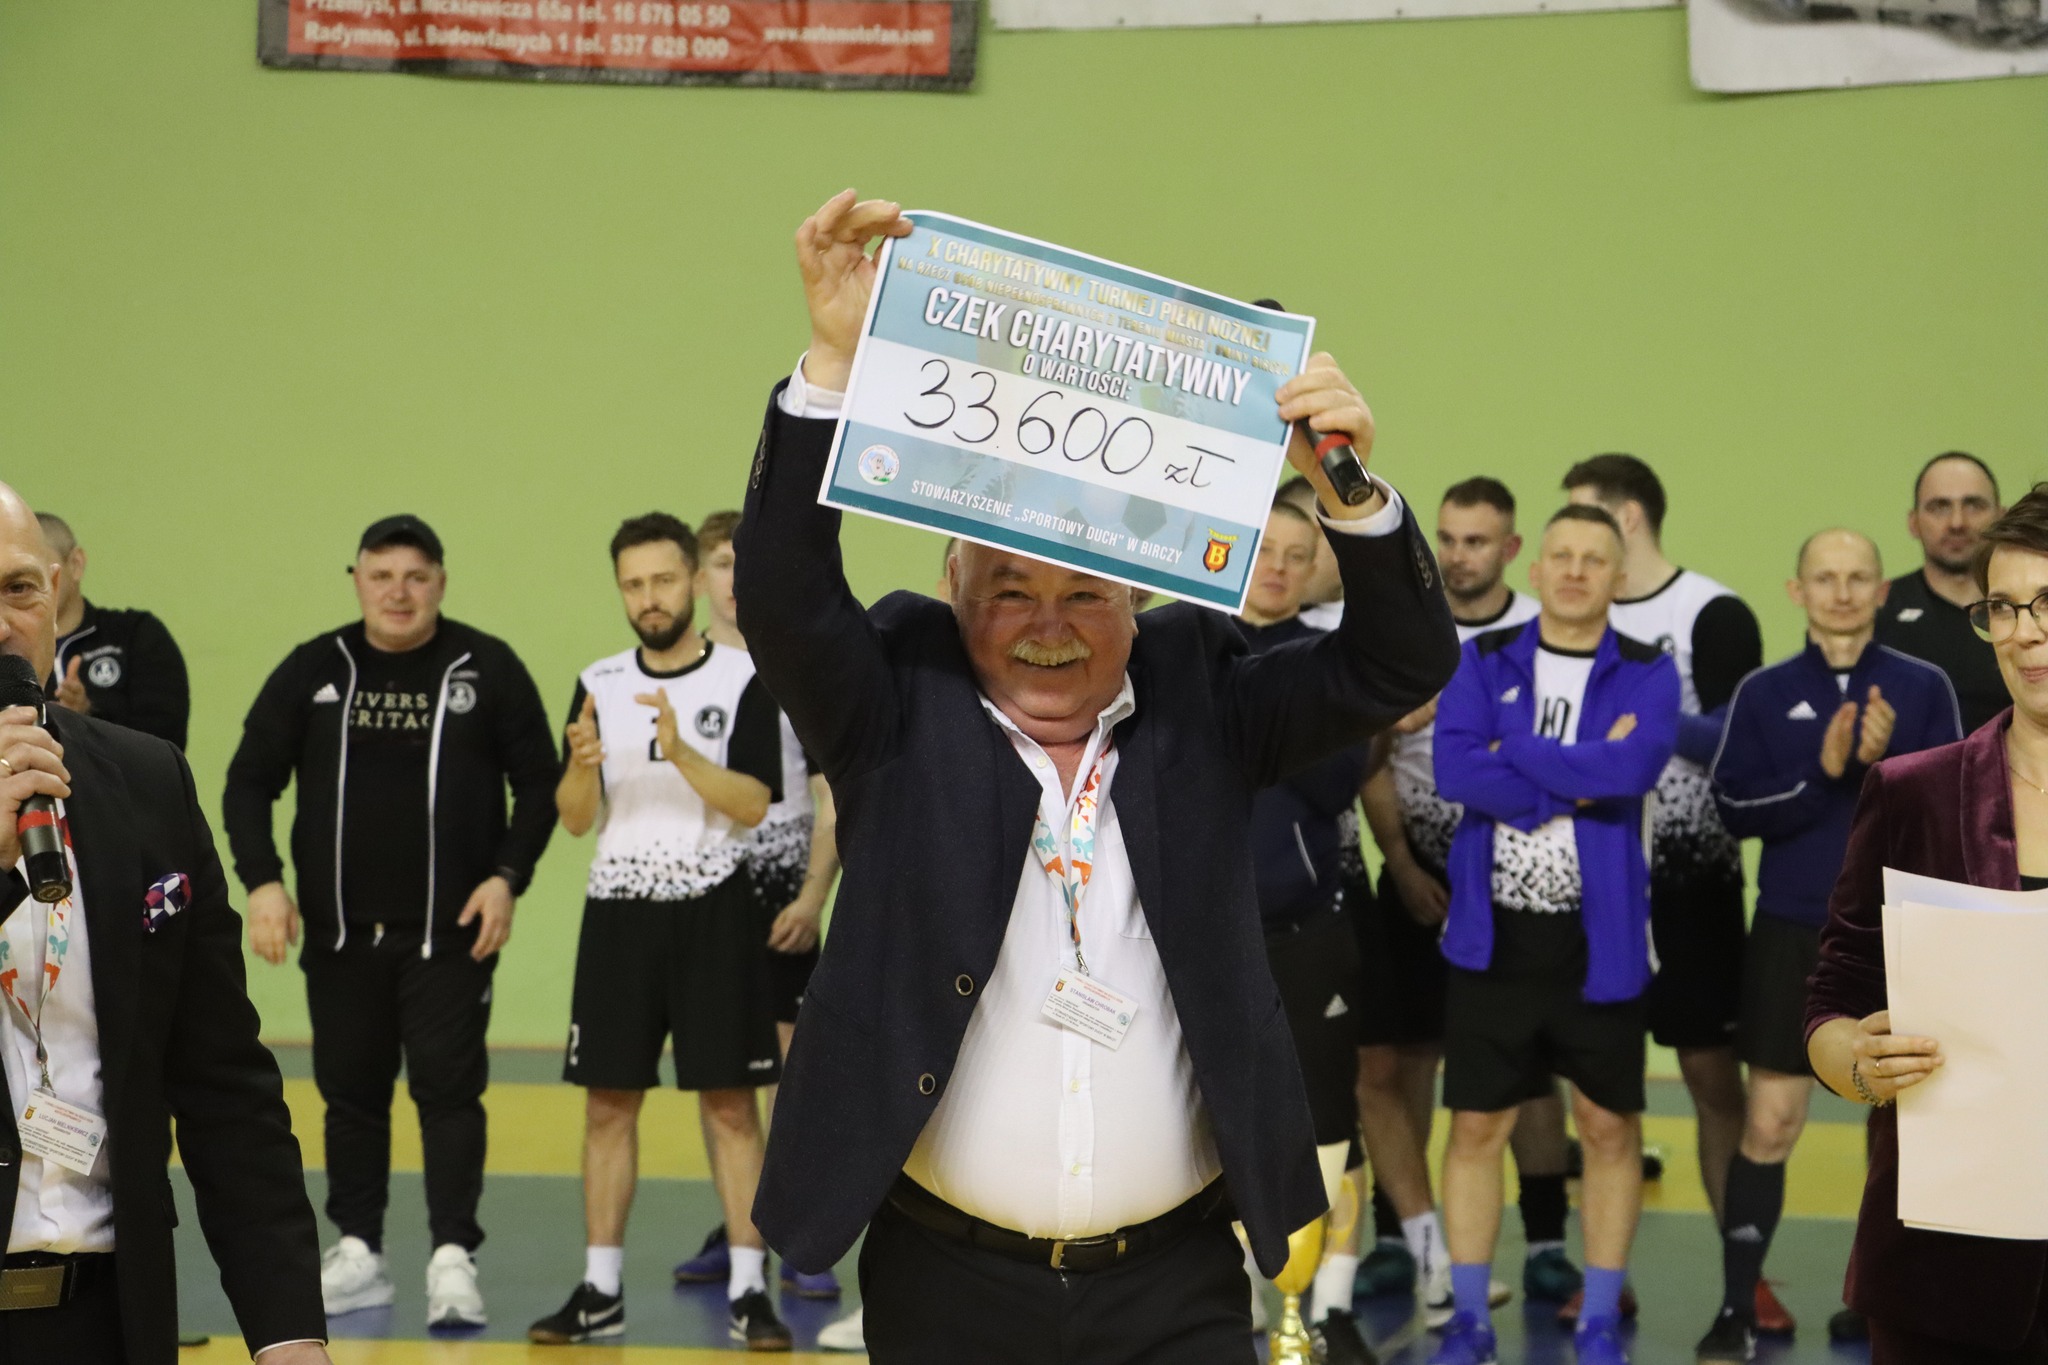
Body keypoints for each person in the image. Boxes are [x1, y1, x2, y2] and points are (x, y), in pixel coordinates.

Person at [735, 190, 1459, 1365]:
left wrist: (1344, 492)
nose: (1047, 625)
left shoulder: (1204, 695)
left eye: (1083, 593)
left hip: (1174, 1283)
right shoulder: (893, 699)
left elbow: (1401, 660)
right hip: (946, 1281)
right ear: (952, 587)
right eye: (1008, 591)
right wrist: (831, 366)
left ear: (1135, 597)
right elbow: (781, 595)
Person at [0, 483, 330, 1364]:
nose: (1, 623)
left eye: (19, 588)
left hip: (109, 1319)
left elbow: (224, 1082)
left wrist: (289, 1330)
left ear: (56, 595)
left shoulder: (147, 783)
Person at [222, 515, 559, 1331]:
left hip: (450, 936)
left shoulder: (486, 666)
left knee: (449, 1094)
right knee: (350, 1096)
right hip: (340, 936)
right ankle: (359, 1252)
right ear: (357, 580)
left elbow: (540, 784)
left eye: (415, 576)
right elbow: (248, 781)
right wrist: (263, 883)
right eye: (381, 576)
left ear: (440, 581)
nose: (398, 592)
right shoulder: (316, 668)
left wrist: (507, 878)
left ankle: (453, 1258)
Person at [531, 512, 793, 1351]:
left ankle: (750, 1288)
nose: (649, 597)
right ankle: (601, 1289)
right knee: (609, 1104)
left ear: (694, 580)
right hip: (618, 910)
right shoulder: (598, 680)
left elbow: (753, 803)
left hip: (715, 906)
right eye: (633, 584)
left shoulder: (745, 676)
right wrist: (581, 767)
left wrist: (680, 751)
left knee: (732, 1104)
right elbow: (576, 818)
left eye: (664, 580)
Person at [1698, 529, 1960, 1362]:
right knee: (1772, 1119)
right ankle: (1737, 1307)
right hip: (1791, 929)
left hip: (1903, 929)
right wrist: (1824, 768)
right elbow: (1732, 809)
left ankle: (1886, 1302)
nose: (1841, 592)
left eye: (1857, 578)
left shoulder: (1924, 686)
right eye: (1825, 577)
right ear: (1797, 590)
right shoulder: (1765, 690)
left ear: (1882, 590)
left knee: (1902, 1127)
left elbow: (1958, 810)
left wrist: (1891, 764)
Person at [1428, 504, 1680, 1365]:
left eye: (1593, 559)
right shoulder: (1484, 657)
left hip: (1601, 941)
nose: (1575, 571)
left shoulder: (1647, 670)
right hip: (1493, 940)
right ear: (1535, 570)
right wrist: (1576, 778)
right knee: (1475, 1129)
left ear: (1619, 577)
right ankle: (1469, 1320)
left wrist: (1518, 749)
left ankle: (1599, 1320)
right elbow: (1457, 769)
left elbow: (1635, 766)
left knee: (1609, 1128)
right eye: (1561, 555)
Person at [1806, 483, 2048, 1362]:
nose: (2024, 631)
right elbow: (1834, 994)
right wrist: (1856, 1061)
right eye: (2003, 607)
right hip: (1945, 1268)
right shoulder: (1916, 791)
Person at [1353, 478, 1578, 1321]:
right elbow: (1370, 759)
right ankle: (1394, 1236)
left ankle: (1548, 1243)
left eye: (1476, 541)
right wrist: (1400, 861)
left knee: (1526, 1061)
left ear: (1511, 549)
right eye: (1445, 538)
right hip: (1416, 871)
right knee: (1400, 1059)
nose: (1457, 555)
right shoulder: (1403, 634)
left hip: (1518, 873)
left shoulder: (1541, 634)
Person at [1564, 454, 1764, 1322]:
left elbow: (1736, 742)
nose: (1572, 544)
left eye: (1585, 517)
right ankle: (1605, 1279)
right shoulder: (1567, 618)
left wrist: (1648, 722)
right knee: (1597, 1092)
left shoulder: (1711, 612)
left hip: (1694, 880)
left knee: (1713, 1079)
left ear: (1629, 518)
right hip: (1595, 878)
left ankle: (1744, 1280)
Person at [671, 508, 846, 1303]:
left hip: (780, 899)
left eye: (747, 561)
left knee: (792, 1077)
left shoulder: (795, 671)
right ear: (697, 577)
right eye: (720, 561)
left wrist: (812, 894)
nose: (734, 577)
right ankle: (740, 1223)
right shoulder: (671, 674)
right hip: (700, 901)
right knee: (722, 1079)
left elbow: (831, 799)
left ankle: (801, 1235)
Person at [1238, 501, 1376, 1365]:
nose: (1280, 568)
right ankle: (1226, 1301)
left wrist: (1250, 724)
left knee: (1329, 1121)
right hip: (1197, 937)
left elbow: (1333, 780)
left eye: (1298, 554)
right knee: (1199, 1117)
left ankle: (1327, 1306)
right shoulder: (1181, 645)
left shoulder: (1327, 660)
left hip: (1306, 928)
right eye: (1266, 550)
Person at [1875, 451, 2007, 736]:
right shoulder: (1878, 611)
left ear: (2002, 517)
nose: (1957, 522)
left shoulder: (2031, 610)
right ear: (1913, 522)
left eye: (1974, 505)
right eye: (1939, 507)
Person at [37, 513, 191, 751]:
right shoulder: (8, 647)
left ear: (76, 564)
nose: (25, 582)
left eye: (36, 569)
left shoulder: (136, 635)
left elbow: (166, 746)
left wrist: (87, 717)